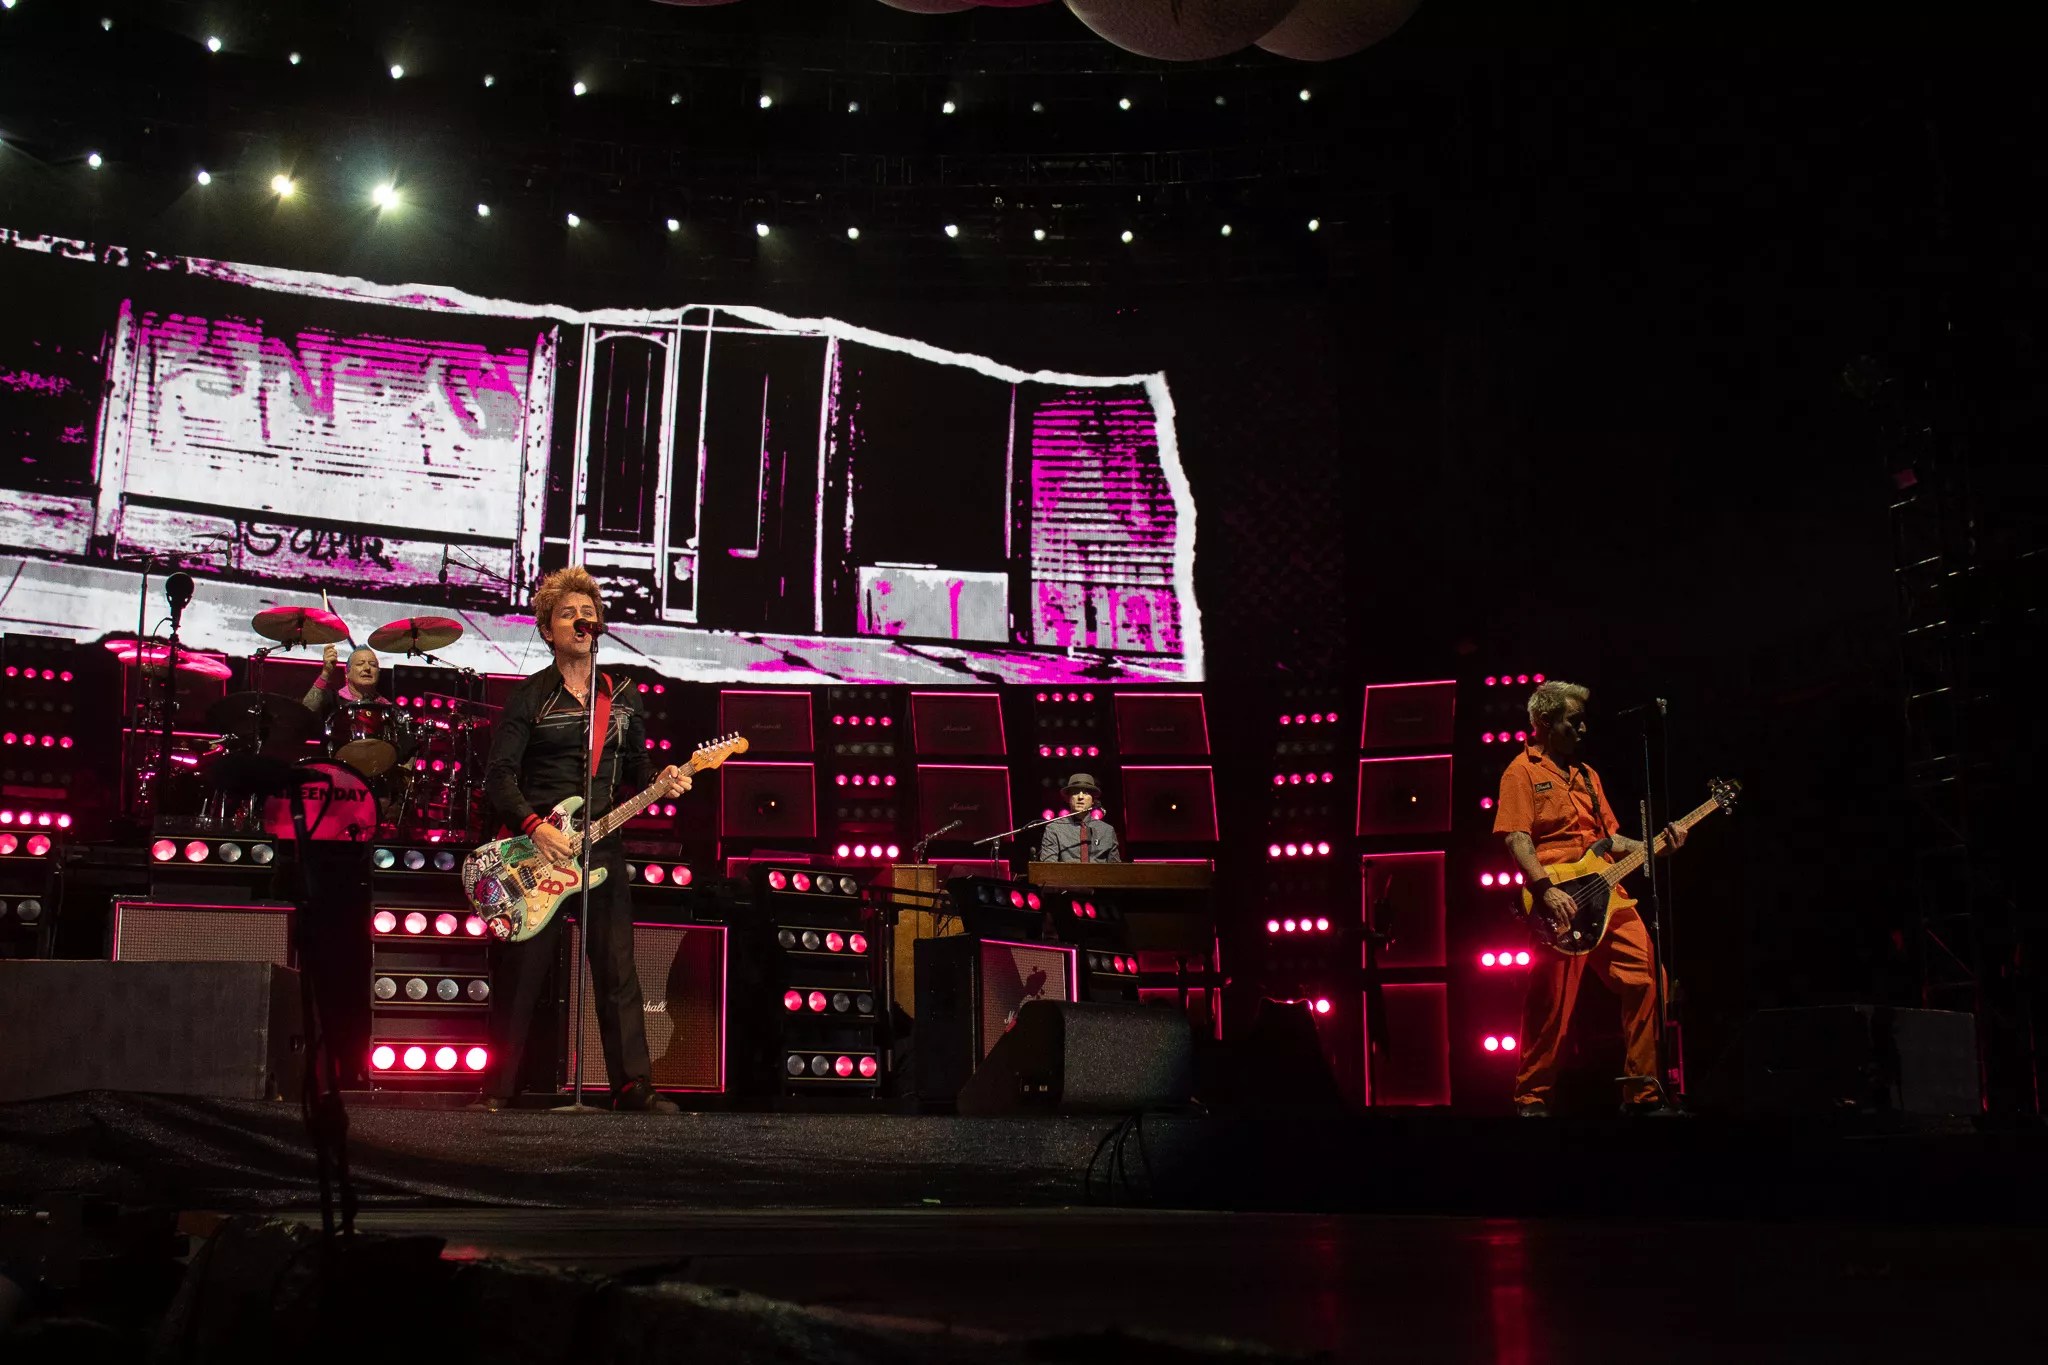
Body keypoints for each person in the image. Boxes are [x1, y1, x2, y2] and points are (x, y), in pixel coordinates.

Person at [473, 566, 693, 1113]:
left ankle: (631, 1086)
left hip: (602, 844)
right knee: (523, 974)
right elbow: (499, 776)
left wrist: (665, 781)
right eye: (567, 612)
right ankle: (499, 1089)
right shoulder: (530, 697)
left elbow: (637, 771)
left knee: (619, 969)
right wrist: (535, 826)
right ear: (547, 630)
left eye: (587, 611)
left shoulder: (621, 694)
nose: (580, 619)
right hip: (539, 846)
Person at [1493, 680, 1684, 1117]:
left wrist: (1655, 845)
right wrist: (1545, 889)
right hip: (1558, 896)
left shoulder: (1587, 775)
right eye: (1572, 721)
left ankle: (1642, 1094)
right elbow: (1517, 838)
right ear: (1545, 723)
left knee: (1646, 977)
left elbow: (1610, 840)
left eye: (1582, 721)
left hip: (1608, 895)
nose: (1582, 729)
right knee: (1552, 1004)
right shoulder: (1521, 772)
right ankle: (1532, 1098)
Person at [1037, 772, 1122, 863]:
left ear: (1093, 800)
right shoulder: (1054, 829)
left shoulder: (1107, 831)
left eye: (1085, 793)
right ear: (1068, 798)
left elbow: (1116, 871)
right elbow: (1048, 868)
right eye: (1075, 792)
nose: (1080, 797)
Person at [302, 644, 385, 714]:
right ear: (347, 672)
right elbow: (305, 712)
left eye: (373, 665)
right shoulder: (333, 700)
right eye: (360, 664)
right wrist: (326, 673)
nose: (367, 668)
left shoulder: (386, 706)